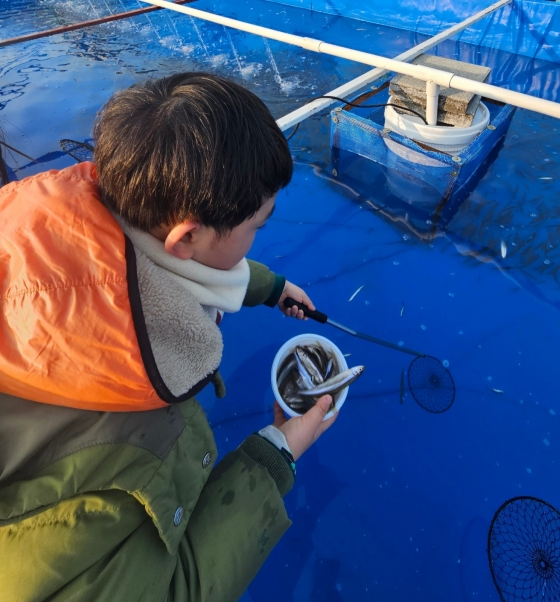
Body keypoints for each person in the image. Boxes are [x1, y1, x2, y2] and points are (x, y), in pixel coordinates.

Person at [0, 72, 337, 601]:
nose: (258, 238)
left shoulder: (77, 217)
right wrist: (276, 454)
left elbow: (180, 264)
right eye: (257, 227)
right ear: (186, 236)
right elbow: (173, 590)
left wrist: (269, 287)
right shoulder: (108, 463)